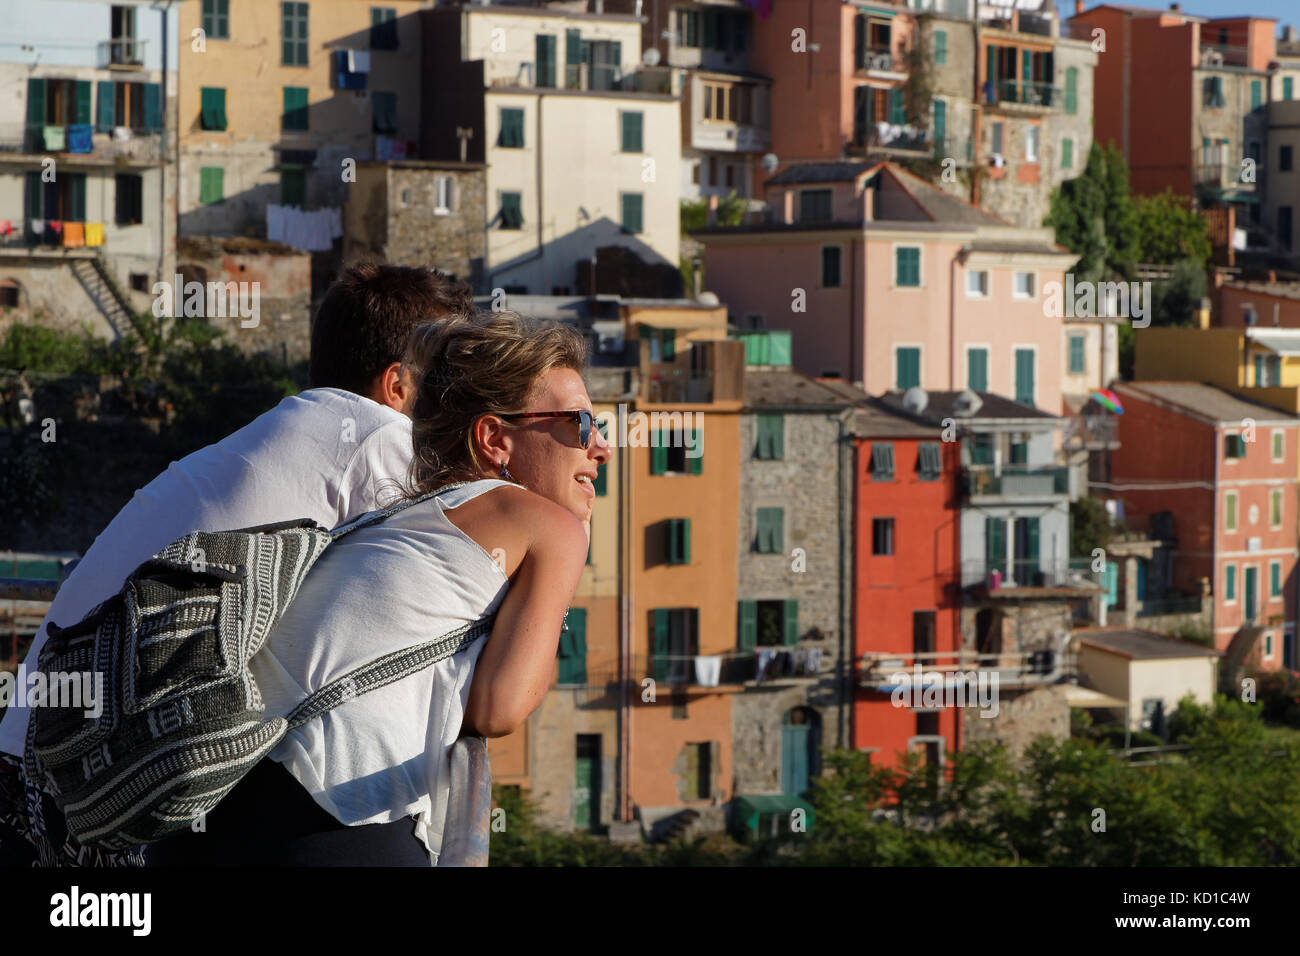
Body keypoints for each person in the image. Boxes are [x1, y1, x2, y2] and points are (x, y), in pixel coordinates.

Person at [0, 262, 473, 867]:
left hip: (42, 762)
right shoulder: (375, 438)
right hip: (84, 796)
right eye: (452, 377)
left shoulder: (299, 426)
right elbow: (450, 563)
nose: (458, 400)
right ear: (398, 386)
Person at [145, 312, 609, 866]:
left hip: (210, 804)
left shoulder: (397, 517)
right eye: (579, 424)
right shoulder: (549, 527)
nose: (601, 447)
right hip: (327, 816)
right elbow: (498, 708)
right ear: (494, 438)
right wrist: (558, 583)